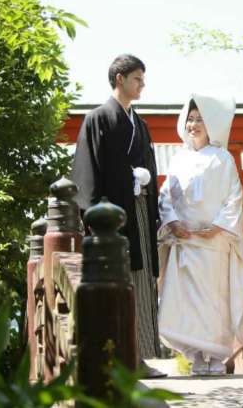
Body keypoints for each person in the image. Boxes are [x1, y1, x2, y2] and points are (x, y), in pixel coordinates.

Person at [71, 54, 165, 377]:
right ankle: (117, 361)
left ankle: (138, 358)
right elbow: (88, 175)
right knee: (116, 283)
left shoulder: (139, 123)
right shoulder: (98, 119)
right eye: (137, 78)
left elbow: (149, 168)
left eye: (143, 79)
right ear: (119, 79)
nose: (142, 85)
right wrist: (96, 214)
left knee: (141, 282)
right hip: (110, 218)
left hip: (138, 212)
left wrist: (146, 184)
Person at [157, 95, 243, 375]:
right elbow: (165, 197)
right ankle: (196, 355)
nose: (193, 124)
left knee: (214, 300)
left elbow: (234, 196)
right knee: (185, 301)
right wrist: (172, 222)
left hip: (214, 242)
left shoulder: (223, 158)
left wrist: (220, 227)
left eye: (199, 119)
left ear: (210, 125)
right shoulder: (178, 159)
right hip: (185, 241)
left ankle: (216, 357)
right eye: (190, 119)